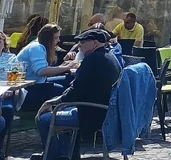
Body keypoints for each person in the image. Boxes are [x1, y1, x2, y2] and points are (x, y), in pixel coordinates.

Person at [32, 28, 121, 160]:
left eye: (83, 42)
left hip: (92, 113)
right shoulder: (110, 57)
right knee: (64, 108)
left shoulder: (92, 60)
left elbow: (74, 92)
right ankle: (66, 155)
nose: (79, 45)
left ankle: (50, 156)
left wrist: (51, 102)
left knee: (43, 118)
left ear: (95, 43)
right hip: (105, 111)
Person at [17, 24, 75, 114]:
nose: (58, 40)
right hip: (26, 88)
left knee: (69, 80)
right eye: (56, 38)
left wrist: (64, 65)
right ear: (48, 38)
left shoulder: (39, 46)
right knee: (60, 90)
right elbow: (41, 71)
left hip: (38, 81)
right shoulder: (37, 48)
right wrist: (67, 67)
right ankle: (52, 115)